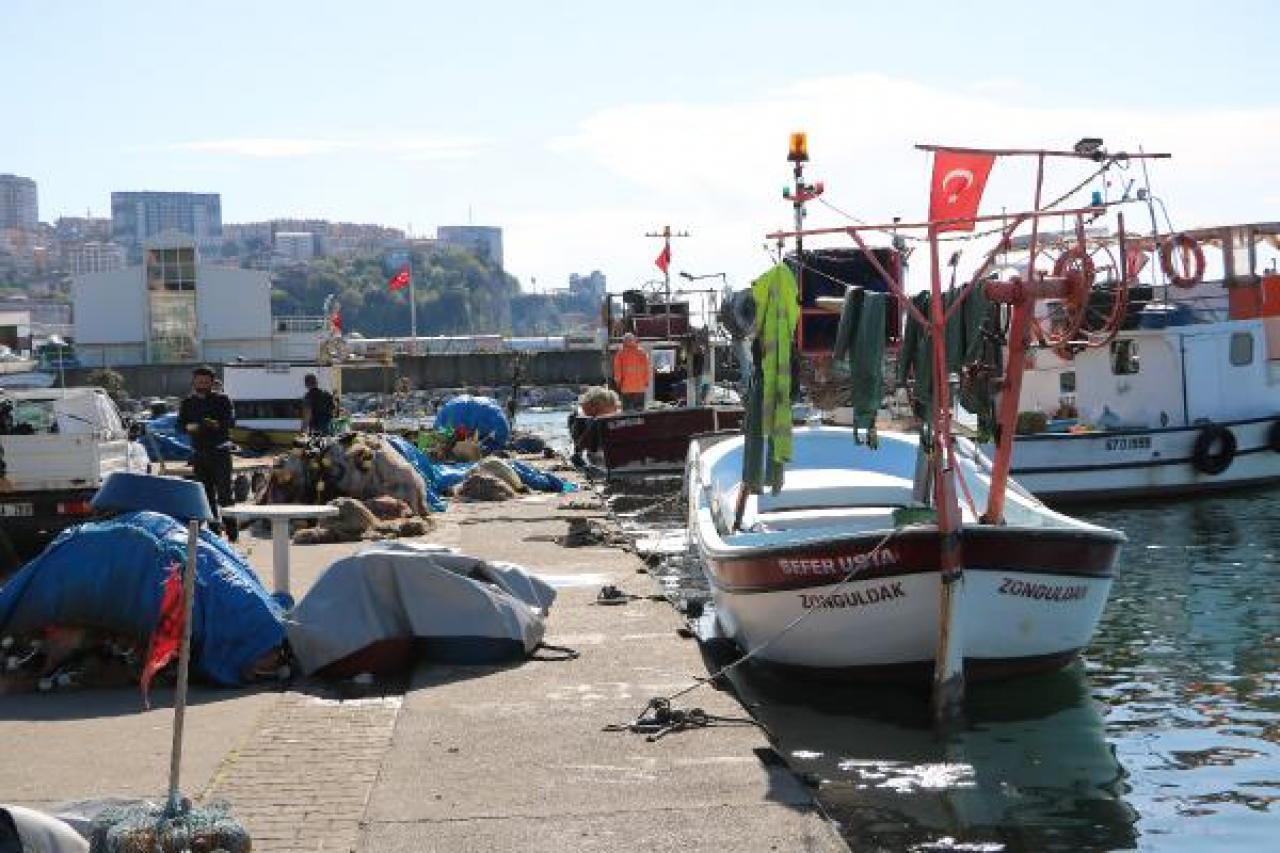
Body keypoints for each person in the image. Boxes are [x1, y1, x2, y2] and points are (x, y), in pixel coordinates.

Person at [177, 365, 236, 532]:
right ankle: (213, 529)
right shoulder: (188, 402)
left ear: (212, 382)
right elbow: (180, 426)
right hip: (199, 453)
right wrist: (191, 427)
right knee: (205, 494)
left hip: (220, 452)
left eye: (205, 381)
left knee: (225, 493)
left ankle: (232, 530)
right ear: (194, 382)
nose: (202, 384)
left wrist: (215, 424)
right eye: (199, 381)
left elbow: (230, 422)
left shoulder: (222, 400)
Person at [612, 333, 651, 412]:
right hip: (640, 388)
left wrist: (618, 383)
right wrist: (646, 381)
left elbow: (617, 370)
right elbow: (647, 368)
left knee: (627, 414)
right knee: (640, 413)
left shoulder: (620, 354)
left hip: (626, 388)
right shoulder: (642, 353)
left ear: (624, 341)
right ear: (634, 341)